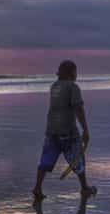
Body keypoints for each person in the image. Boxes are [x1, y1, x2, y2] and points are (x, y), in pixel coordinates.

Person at [33, 60, 96, 201]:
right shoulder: (73, 87)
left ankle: (37, 187)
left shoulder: (54, 86)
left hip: (51, 131)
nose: (76, 75)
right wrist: (85, 130)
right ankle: (84, 188)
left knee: (45, 161)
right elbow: (78, 108)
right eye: (75, 72)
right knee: (78, 158)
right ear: (72, 73)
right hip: (68, 132)